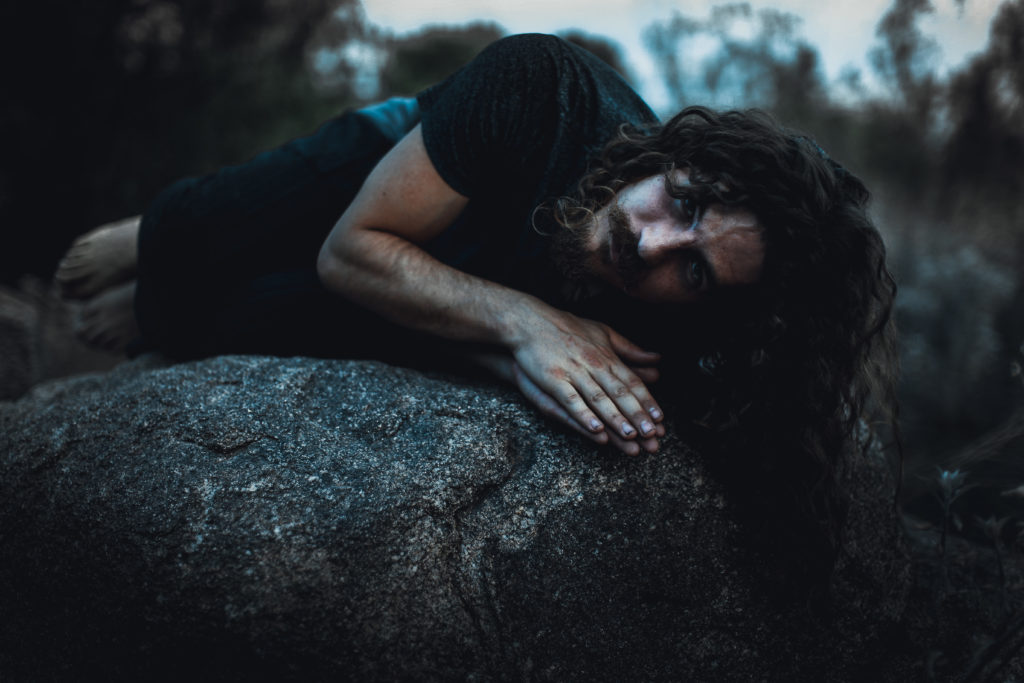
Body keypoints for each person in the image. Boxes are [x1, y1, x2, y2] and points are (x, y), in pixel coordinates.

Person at [56, 34, 898, 565]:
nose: (653, 244)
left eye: (698, 272)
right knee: (212, 228)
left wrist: (493, 349)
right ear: (671, 156)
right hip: (405, 170)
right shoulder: (545, 89)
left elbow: (783, 482)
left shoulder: (680, 342)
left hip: (457, 256)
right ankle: (153, 237)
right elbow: (353, 251)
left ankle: (160, 308)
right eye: (683, 201)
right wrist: (526, 324)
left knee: (248, 317)